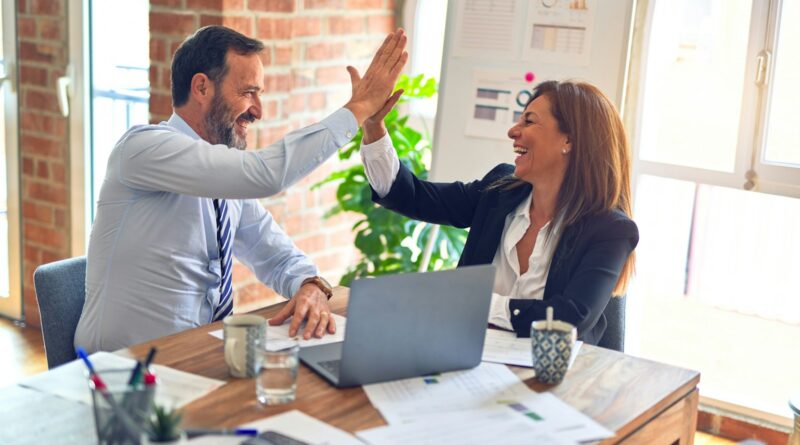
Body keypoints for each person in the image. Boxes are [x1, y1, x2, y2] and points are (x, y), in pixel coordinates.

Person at [75, 25, 407, 352]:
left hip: (197, 358)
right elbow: (266, 175)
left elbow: (274, 253)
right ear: (202, 88)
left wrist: (310, 284)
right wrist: (359, 108)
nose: (258, 111)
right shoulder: (143, 149)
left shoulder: (223, 181)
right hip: (122, 372)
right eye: (248, 92)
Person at [359, 80, 638, 345]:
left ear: (569, 140)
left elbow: (568, 319)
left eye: (528, 121)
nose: (513, 131)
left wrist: (474, 303)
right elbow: (411, 196)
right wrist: (373, 127)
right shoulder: (499, 191)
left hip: (553, 381)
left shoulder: (610, 230)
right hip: (466, 358)